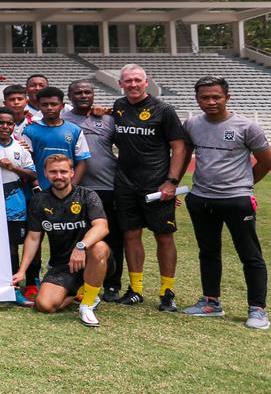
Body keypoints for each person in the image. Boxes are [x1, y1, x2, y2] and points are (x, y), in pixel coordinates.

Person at [181, 76, 270, 329]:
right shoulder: (192, 125)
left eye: (216, 97)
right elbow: (182, 155)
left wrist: (245, 186)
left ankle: (257, 309)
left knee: (250, 254)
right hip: (201, 199)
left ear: (227, 97)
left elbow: (266, 161)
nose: (210, 102)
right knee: (208, 252)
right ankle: (211, 302)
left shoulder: (246, 126)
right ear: (197, 99)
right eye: (204, 97)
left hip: (236, 201)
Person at [110, 63, 187, 311]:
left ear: (146, 82)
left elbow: (179, 146)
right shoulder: (118, 107)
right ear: (120, 84)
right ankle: (136, 289)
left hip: (156, 185)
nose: (132, 84)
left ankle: (167, 292)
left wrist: (171, 181)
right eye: (127, 81)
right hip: (125, 183)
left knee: (163, 236)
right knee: (130, 235)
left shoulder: (163, 109)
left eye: (137, 80)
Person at [13, 155, 111, 327]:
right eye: (53, 172)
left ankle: (87, 305)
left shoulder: (87, 195)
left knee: (99, 247)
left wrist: (81, 246)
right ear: (45, 173)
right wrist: (22, 271)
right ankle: (79, 290)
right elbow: (33, 238)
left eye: (63, 171)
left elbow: (102, 227)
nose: (59, 176)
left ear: (72, 172)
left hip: (92, 260)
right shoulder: (40, 200)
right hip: (63, 265)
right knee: (44, 305)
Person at [62, 80, 124, 302]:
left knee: (113, 238)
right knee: (77, 237)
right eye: (78, 92)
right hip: (77, 189)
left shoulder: (108, 119)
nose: (83, 95)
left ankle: (112, 284)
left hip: (107, 187)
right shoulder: (62, 120)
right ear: (69, 96)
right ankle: (78, 282)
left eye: (88, 92)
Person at [0, 107, 39, 307]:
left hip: (14, 205)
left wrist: (13, 168)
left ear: (14, 125)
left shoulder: (21, 148)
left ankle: (13, 289)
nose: (5, 127)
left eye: (9, 123)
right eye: (0, 123)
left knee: (12, 248)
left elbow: (33, 175)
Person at [21, 86, 90, 190]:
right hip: (41, 189)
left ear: (62, 106)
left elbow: (82, 162)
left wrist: (72, 187)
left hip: (67, 189)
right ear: (39, 106)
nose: (49, 108)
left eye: (53, 104)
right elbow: (27, 162)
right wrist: (36, 184)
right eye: (45, 104)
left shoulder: (75, 130)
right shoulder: (29, 131)